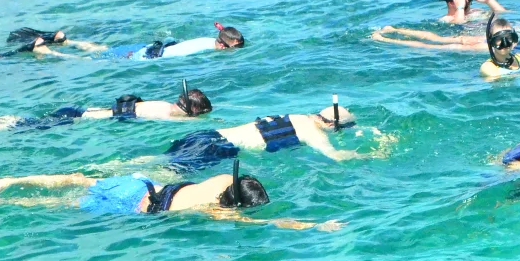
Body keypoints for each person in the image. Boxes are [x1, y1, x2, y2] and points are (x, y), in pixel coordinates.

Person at [0, 160, 342, 231]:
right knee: (63, 204)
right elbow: (275, 223)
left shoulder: (220, 181)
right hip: (134, 206)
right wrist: (312, 226)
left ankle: (5, 181)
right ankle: (5, 199)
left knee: (77, 179)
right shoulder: (217, 210)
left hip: (140, 184)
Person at [161, 97, 387, 173]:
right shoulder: (314, 134)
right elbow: (337, 157)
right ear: (333, 127)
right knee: (168, 174)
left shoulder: (298, 117)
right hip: (217, 149)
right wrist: (373, 154)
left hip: (206, 135)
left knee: (157, 161)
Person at [0, 81, 212, 135]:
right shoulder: (167, 116)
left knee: (8, 119)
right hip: (74, 124)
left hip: (77, 111)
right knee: (8, 126)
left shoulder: (161, 104)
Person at [373, 14, 520, 55]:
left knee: (444, 40)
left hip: (510, 38)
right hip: (512, 46)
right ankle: (386, 39)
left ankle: (393, 30)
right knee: (439, 48)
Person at [59, 23, 245, 60]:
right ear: (222, 45)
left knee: (105, 49)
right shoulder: (203, 52)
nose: (234, 51)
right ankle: (53, 52)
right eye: (233, 49)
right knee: (91, 60)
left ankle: (69, 42)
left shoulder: (208, 41)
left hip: (150, 48)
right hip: (143, 56)